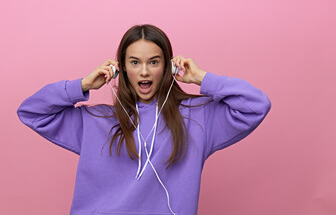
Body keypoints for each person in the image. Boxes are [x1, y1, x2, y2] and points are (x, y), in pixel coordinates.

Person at [17, 24, 271, 215]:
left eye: (154, 62)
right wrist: (82, 84)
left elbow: (256, 105)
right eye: (135, 62)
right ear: (122, 68)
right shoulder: (97, 119)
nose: (145, 71)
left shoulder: (198, 117)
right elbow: (32, 111)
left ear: (168, 67)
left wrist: (202, 78)